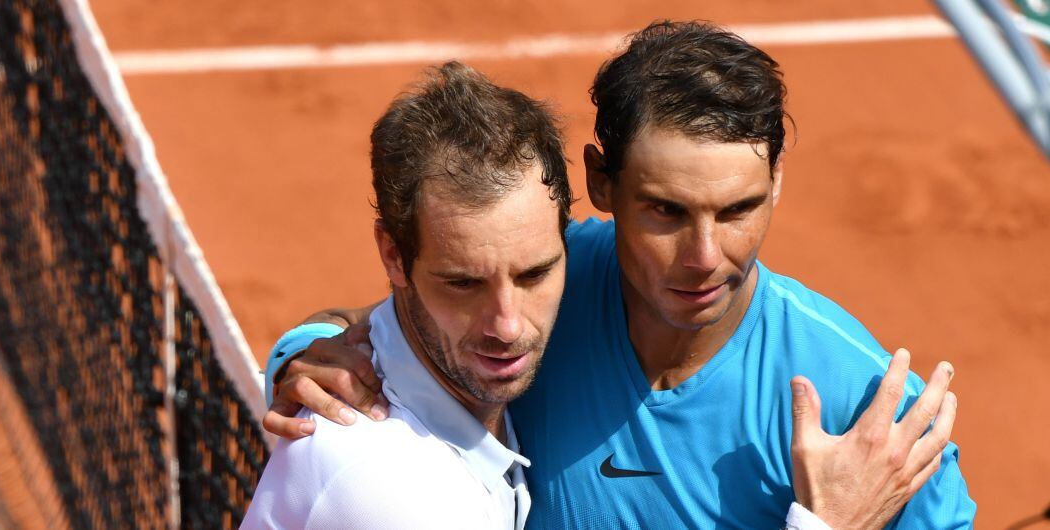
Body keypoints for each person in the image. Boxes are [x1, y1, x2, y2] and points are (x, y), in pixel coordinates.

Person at [262, 21, 975, 528]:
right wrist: (313, 349)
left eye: (738, 209)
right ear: (601, 183)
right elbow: (409, 323)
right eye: (665, 210)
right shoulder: (543, 288)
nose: (703, 257)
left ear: (777, 183)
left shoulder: (866, 411)